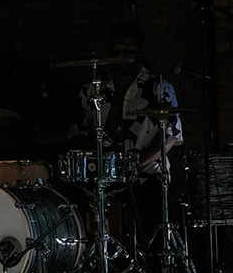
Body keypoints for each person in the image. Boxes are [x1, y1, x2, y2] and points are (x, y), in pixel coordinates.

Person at [67, 21, 184, 250]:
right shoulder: (92, 89)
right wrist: (92, 164)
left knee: (149, 229)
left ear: (140, 51)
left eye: (128, 50)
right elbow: (76, 134)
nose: (122, 55)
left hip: (146, 176)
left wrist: (134, 166)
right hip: (102, 178)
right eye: (117, 50)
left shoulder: (158, 87)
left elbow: (170, 136)